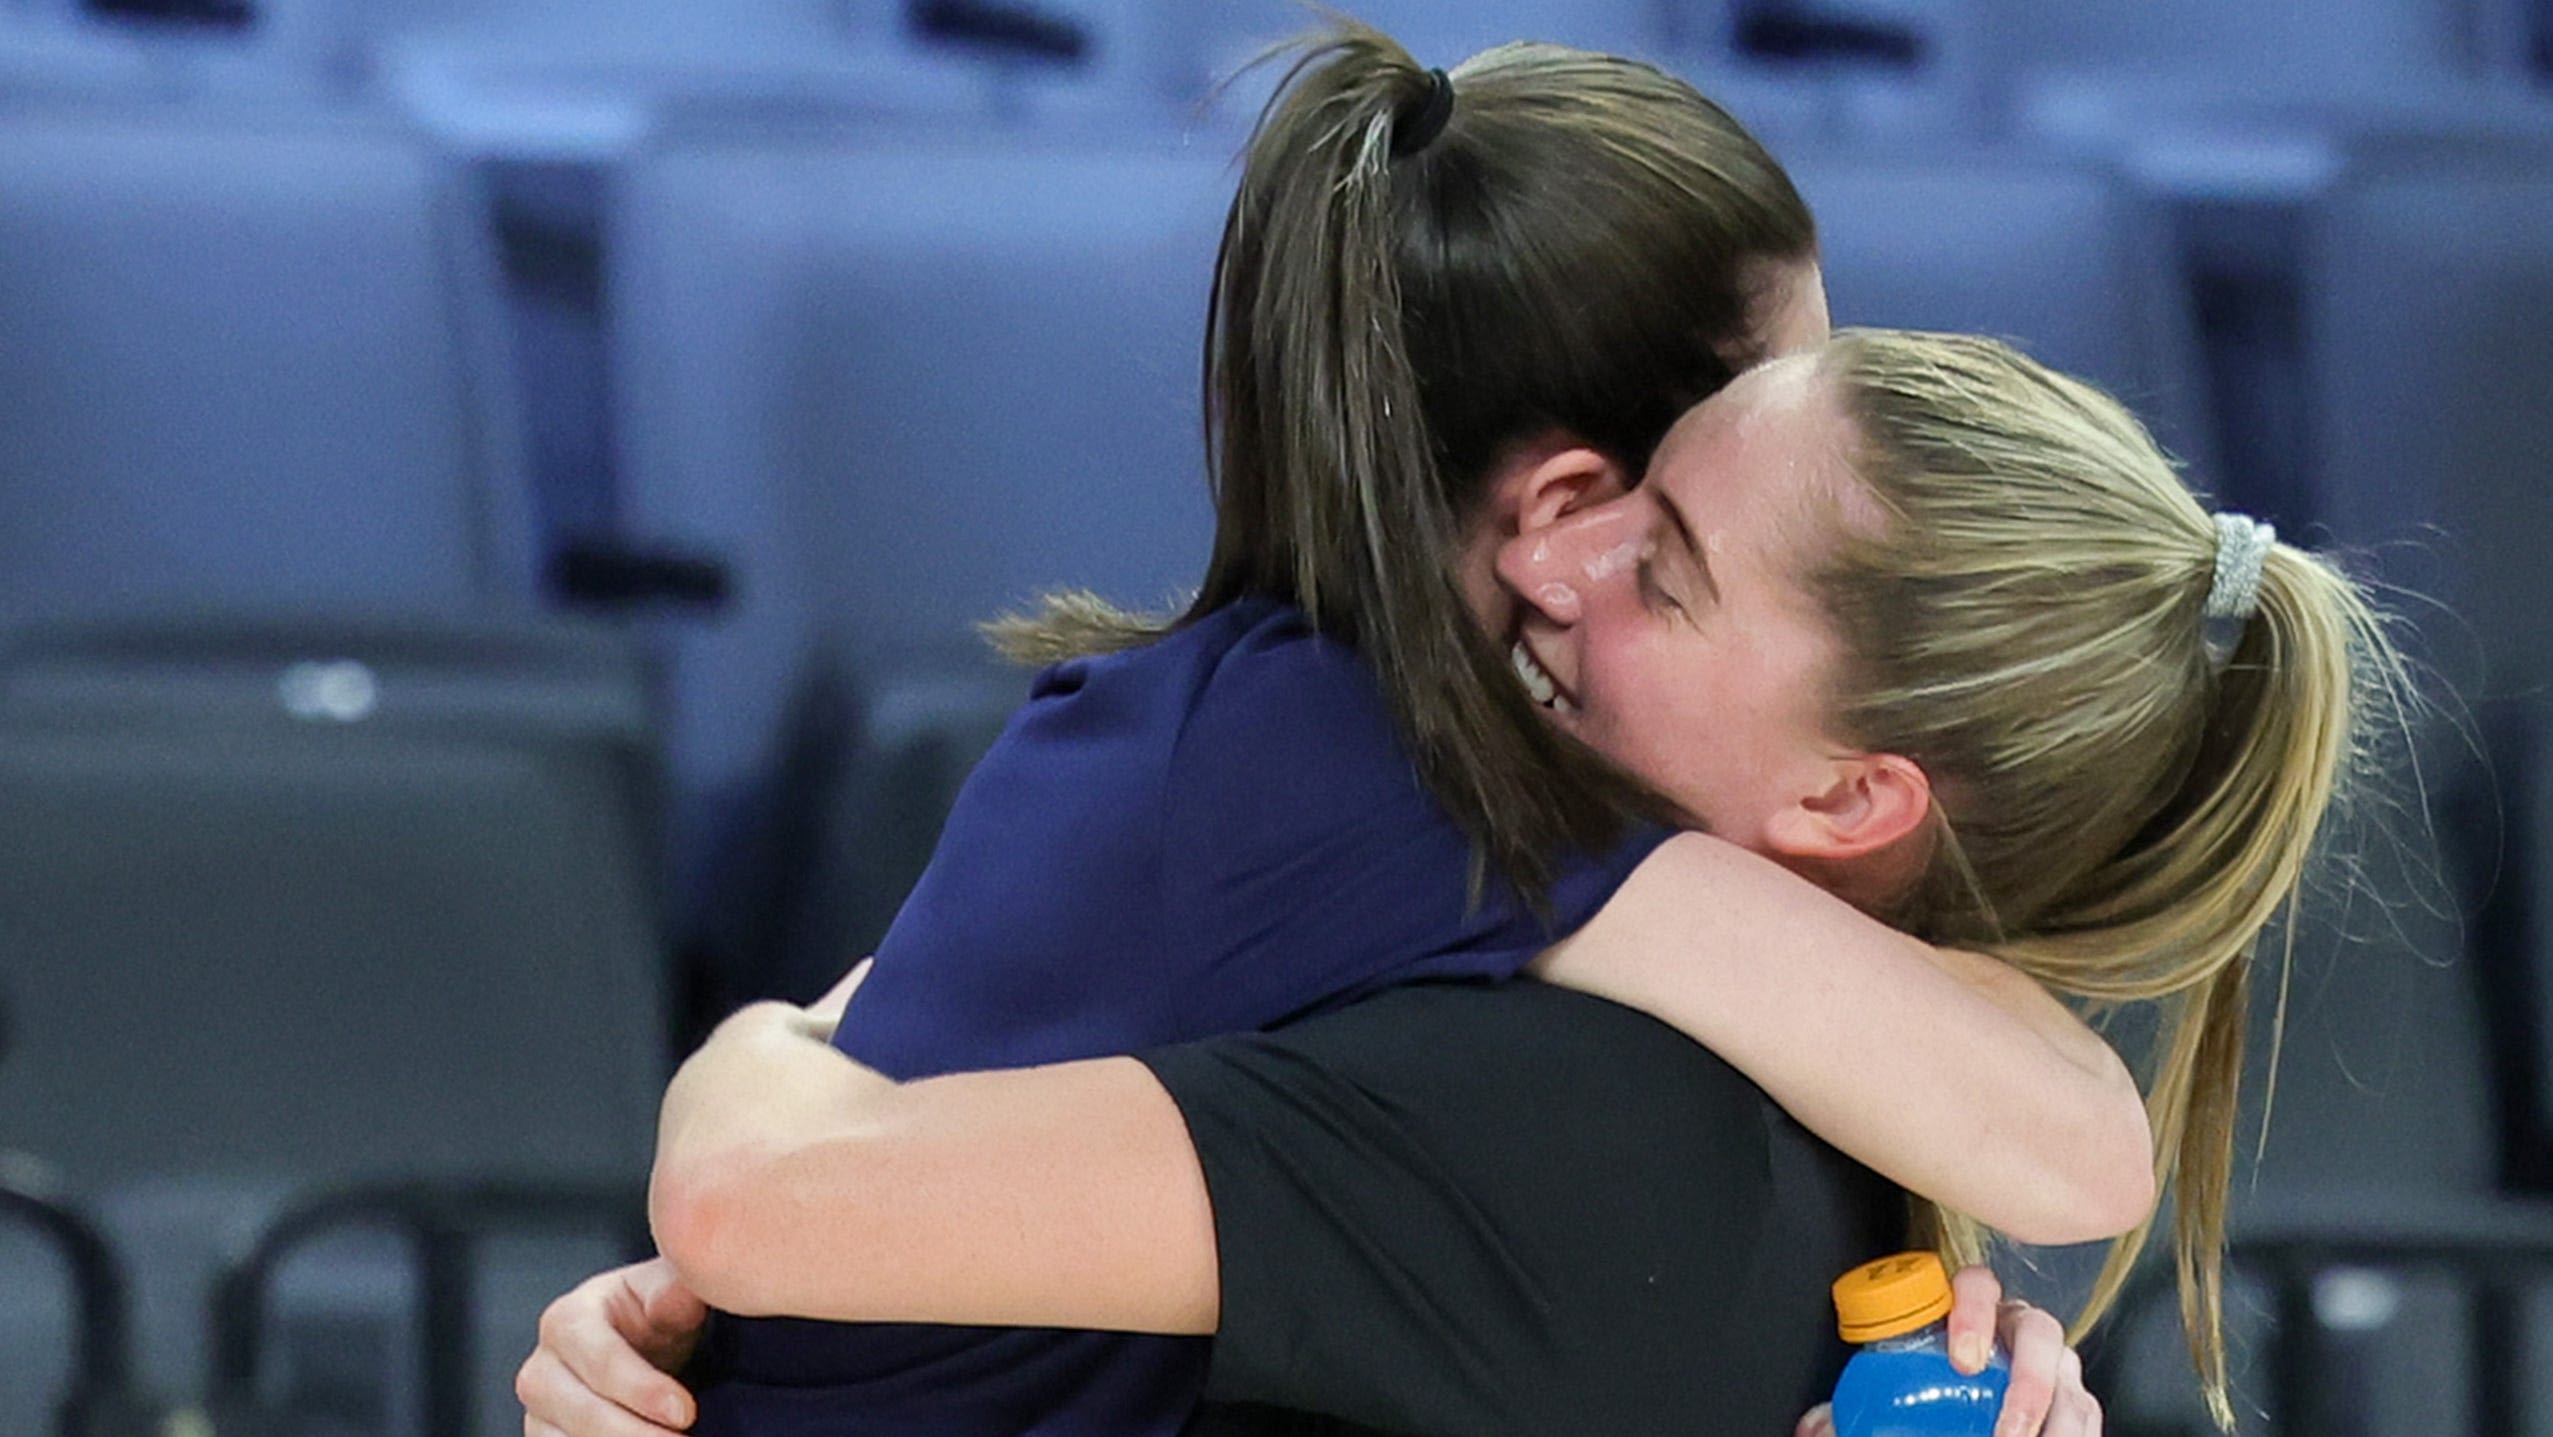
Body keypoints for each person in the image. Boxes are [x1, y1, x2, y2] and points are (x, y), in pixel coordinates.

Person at [529, 25, 2161, 1437]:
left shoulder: (1218, 722)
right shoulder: (1414, 790)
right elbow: (2070, 1145)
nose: (1819, 426)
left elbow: (842, 1042)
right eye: (1781, 391)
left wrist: (749, 1058)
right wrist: (738, 1099)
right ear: (1575, 507)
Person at [638, 329, 2391, 1436]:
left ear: (1851, 791)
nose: (1550, 555)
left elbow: (765, 1193)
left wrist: (760, 1052)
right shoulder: (1867, 1134)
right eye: (1629, 486)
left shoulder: (1571, 1099)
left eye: (1666, 567)